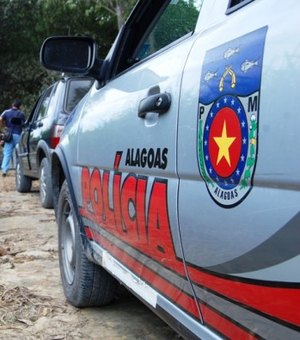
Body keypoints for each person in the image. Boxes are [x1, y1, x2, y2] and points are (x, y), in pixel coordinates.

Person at [0, 99, 26, 177]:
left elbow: (0, 119)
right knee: (20, 153)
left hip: (9, 136)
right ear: (19, 106)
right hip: (18, 135)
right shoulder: (21, 114)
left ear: (12, 104)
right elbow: (24, 124)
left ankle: (4, 170)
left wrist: (4, 126)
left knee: (7, 153)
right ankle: (20, 169)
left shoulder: (6, 112)